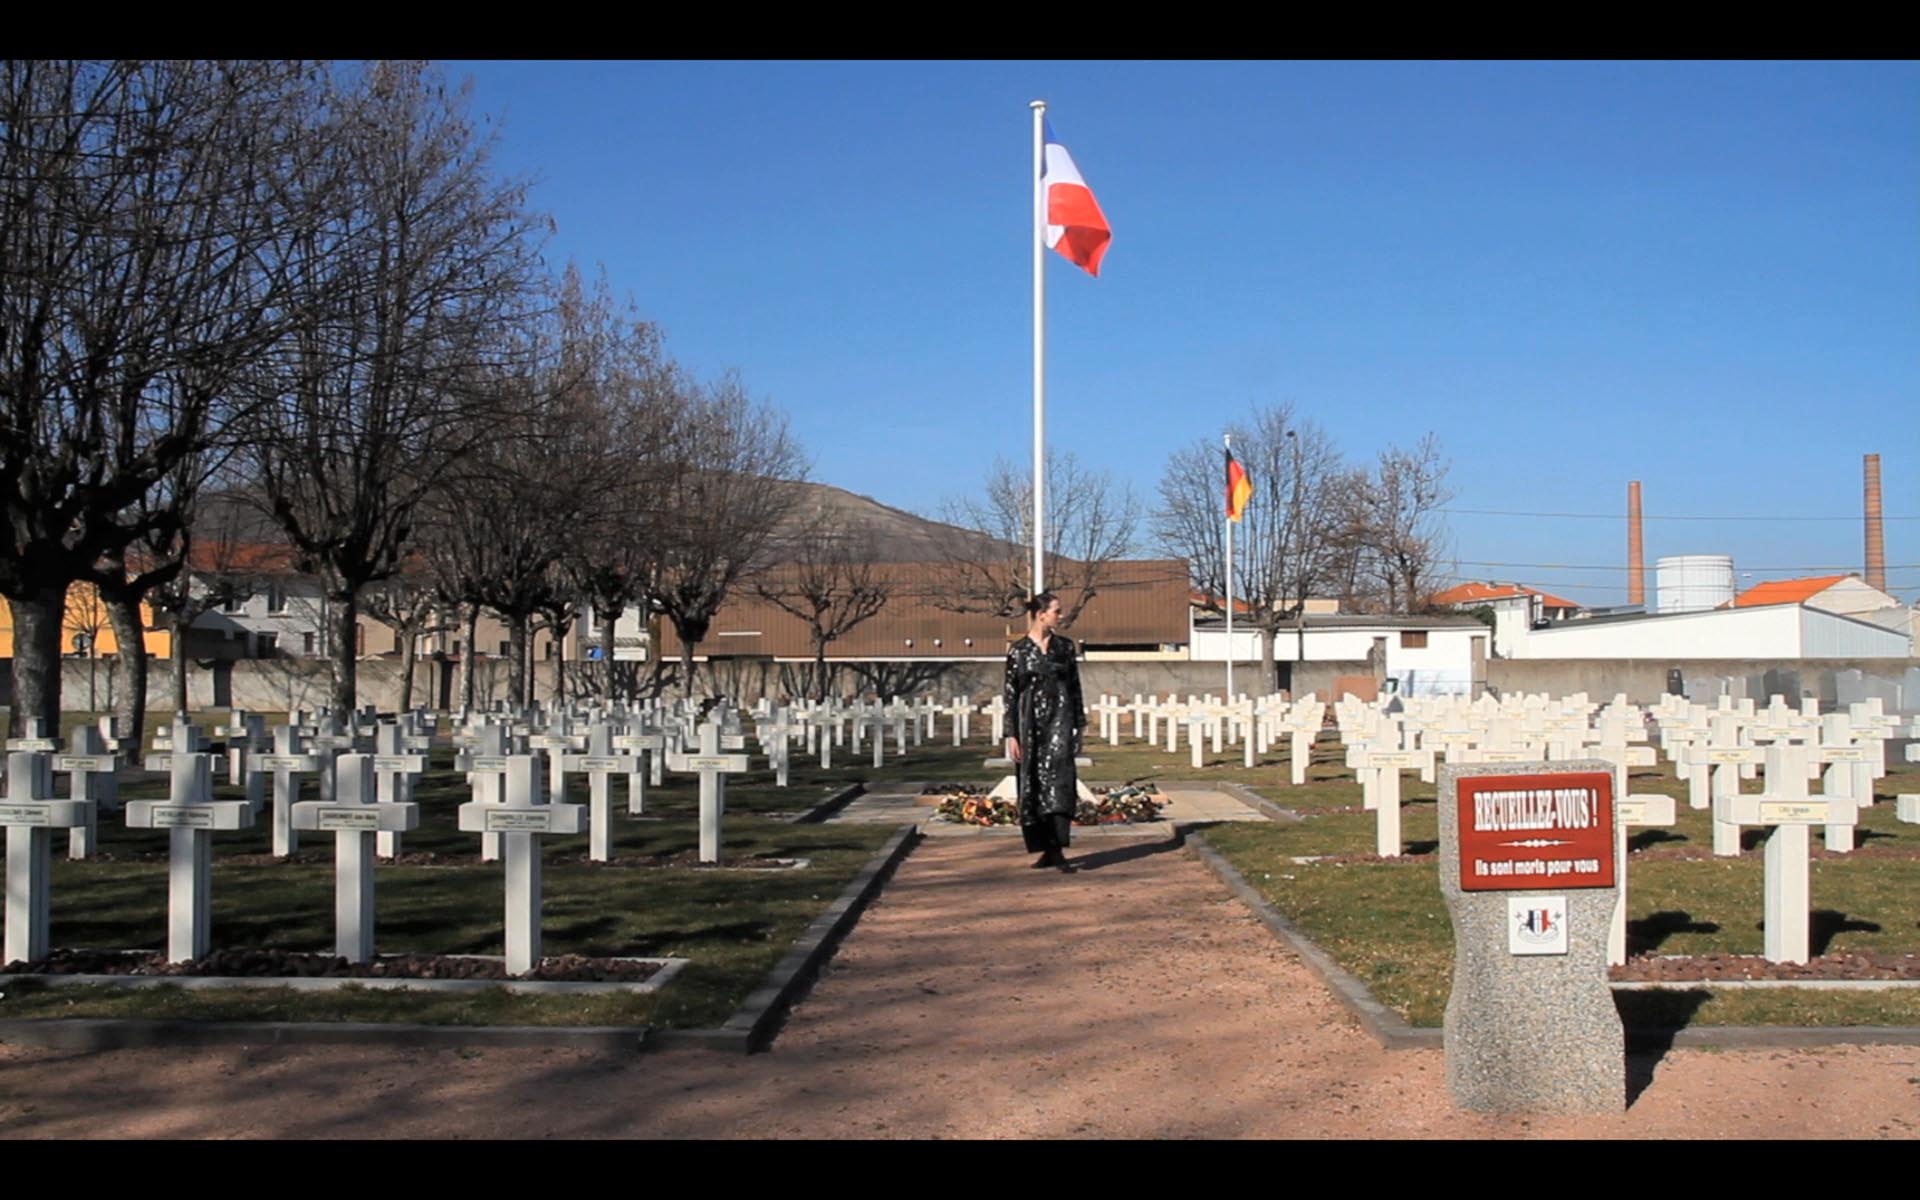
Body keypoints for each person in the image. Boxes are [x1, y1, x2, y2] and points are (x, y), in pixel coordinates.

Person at [1003, 591, 1086, 873]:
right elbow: (1010, 694)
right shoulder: (1019, 651)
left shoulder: (1065, 648)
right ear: (1041, 614)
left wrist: (1079, 726)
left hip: (1060, 721)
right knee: (1033, 783)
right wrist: (1011, 733)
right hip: (1029, 726)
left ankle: (1058, 847)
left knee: (1060, 781)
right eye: (1056, 611)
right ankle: (1044, 847)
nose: (1060, 616)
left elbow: (1075, 687)